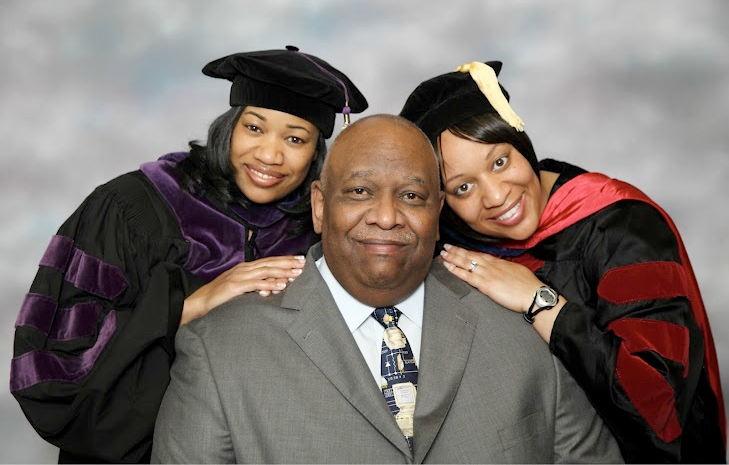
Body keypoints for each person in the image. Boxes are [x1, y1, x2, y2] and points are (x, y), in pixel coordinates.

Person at [151, 114, 622, 463]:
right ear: (319, 206)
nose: (386, 216)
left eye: (411, 196)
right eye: (359, 192)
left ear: (438, 213)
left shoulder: (520, 324)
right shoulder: (219, 349)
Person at [9, 45, 368, 464]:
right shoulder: (134, 208)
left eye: (295, 138)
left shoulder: (318, 234)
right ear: (229, 128)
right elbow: (55, 362)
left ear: (316, 153)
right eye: (254, 128)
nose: (270, 156)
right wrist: (192, 304)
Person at [399, 60, 726, 463]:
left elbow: (660, 406)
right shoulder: (455, 250)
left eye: (500, 162)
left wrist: (541, 302)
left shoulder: (620, 228)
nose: (496, 196)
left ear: (522, 144)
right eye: (463, 187)